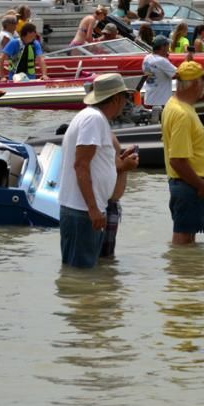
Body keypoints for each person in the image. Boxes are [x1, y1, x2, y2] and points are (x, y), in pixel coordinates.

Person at [58, 73, 139, 267]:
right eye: (125, 97)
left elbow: (94, 163)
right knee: (81, 274)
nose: (126, 102)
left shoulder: (94, 118)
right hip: (83, 211)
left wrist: (121, 163)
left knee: (83, 275)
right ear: (116, 98)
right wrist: (93, 209)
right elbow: (81, 164)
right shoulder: (93, 119)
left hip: (84, 210)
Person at [162, 60, 204, 245]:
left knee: (188, 239)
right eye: (203, 81)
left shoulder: (175, 104)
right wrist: (201, 186)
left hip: (187, 183)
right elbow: (177, 160)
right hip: (188, 184)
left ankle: (186, 265)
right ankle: (181, 265)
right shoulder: (182, 114)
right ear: (195, 83)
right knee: (184, 239)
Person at [143, 37, 177, 120]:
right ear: (162, 47)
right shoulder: (161, 61)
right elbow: (178, 74)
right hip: (161, 101)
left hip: (149, 98)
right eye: (168, 45)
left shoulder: (147, 58)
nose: (169, 48)